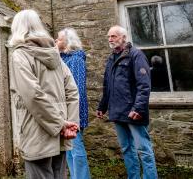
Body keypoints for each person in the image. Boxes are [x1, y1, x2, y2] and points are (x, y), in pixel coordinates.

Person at [9, 9, 80, 179]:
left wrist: (61, 125)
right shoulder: (54, 54)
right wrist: (69, 124)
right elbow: (72, 91)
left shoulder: (20, 55)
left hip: (37, 132)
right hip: (61, 131)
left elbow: (33, 95)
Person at [96, 25, 158, 179]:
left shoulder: (136, 55)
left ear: (123, 37)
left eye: (114, 36)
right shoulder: (111, 58)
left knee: (143, 150)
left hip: (133, 112)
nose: (110, 39)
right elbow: (107, 85)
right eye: (109, 37)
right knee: (126, 149)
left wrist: (138, 108)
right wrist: (102, 106)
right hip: (117, 111)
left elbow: (144, 86)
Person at [55, 28, 91, 179]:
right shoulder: (63, 58)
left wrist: (72, 116)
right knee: (69, 149)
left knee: (76, 149)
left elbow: (76, 90)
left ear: (68, 42)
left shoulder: (75, 59)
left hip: (74, 111)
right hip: (65, 111)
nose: (56, 40)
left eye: (59, 39)